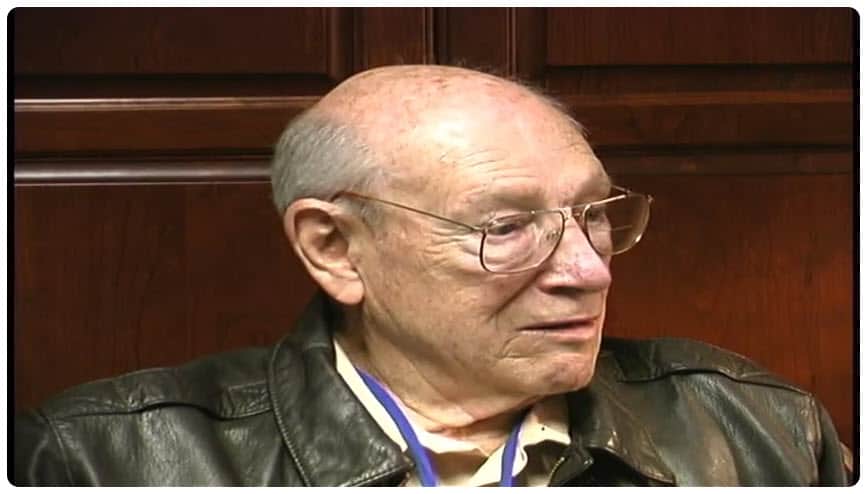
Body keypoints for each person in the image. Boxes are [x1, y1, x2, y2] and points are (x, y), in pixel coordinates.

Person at [14, 65, 849, 486]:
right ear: (335, 249)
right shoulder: (107, 458)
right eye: (507, 227)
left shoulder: (758, 430)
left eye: (594, 213)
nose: (589, 272)